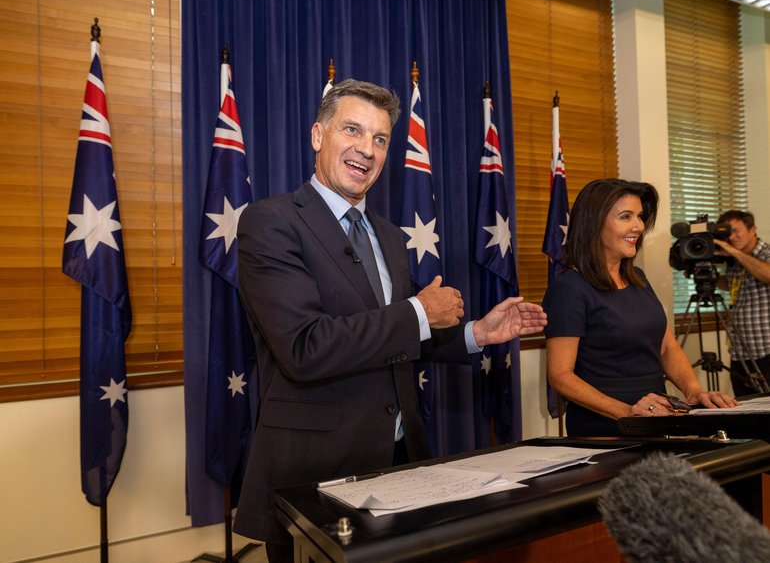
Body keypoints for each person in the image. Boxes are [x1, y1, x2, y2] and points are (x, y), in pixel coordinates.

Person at [232, 78, 547, 561]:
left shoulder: (389, 237)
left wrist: (476, 333)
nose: (366, 149)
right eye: (352, 131)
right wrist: (420, 310)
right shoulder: (271, 222)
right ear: (318, 136)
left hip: (401, 462)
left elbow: (398, 340)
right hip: (314, 472)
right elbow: (304, 348)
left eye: (380, 139)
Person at [542, 178, 736, 437]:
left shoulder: (639, 278)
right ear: (593, 224)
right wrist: (628, 413)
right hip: (607, 428)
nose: (638, 226)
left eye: (640, 217)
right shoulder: (570, 287)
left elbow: (666, 346)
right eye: (626, 216)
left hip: (656, 420)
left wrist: (694, 392)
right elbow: (560, 375)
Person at [714, 210, 770, 396]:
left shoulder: (766, 252)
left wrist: (733, 252)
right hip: (740, 351)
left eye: (736, 230)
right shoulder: (735, 261)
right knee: (745, 410)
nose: (732, 236)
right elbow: (730, 285)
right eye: (728, 232)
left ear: (752, 229)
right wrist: (704, 274)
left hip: (766, 351)